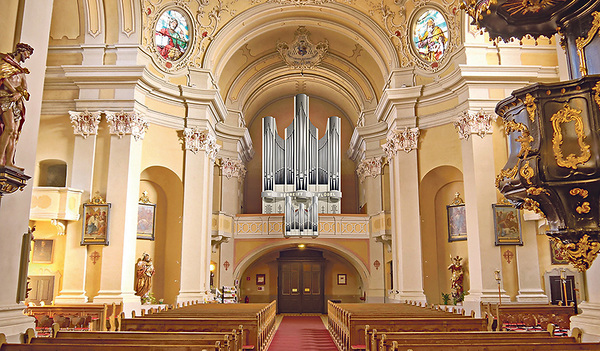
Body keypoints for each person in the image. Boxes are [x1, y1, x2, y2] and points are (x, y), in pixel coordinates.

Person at [0, 43, 33, 170]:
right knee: (8, 128)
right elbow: (2, 77)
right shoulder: (6, 63)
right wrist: (13, 91)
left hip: (17, 102)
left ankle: (9, 161)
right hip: (5, 98)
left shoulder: (22, 72)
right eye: (27, 54)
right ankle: (0, 159)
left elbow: (25, 90)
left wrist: (19, 94)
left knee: (14, 133)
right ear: (21, 51)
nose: (28, 57)